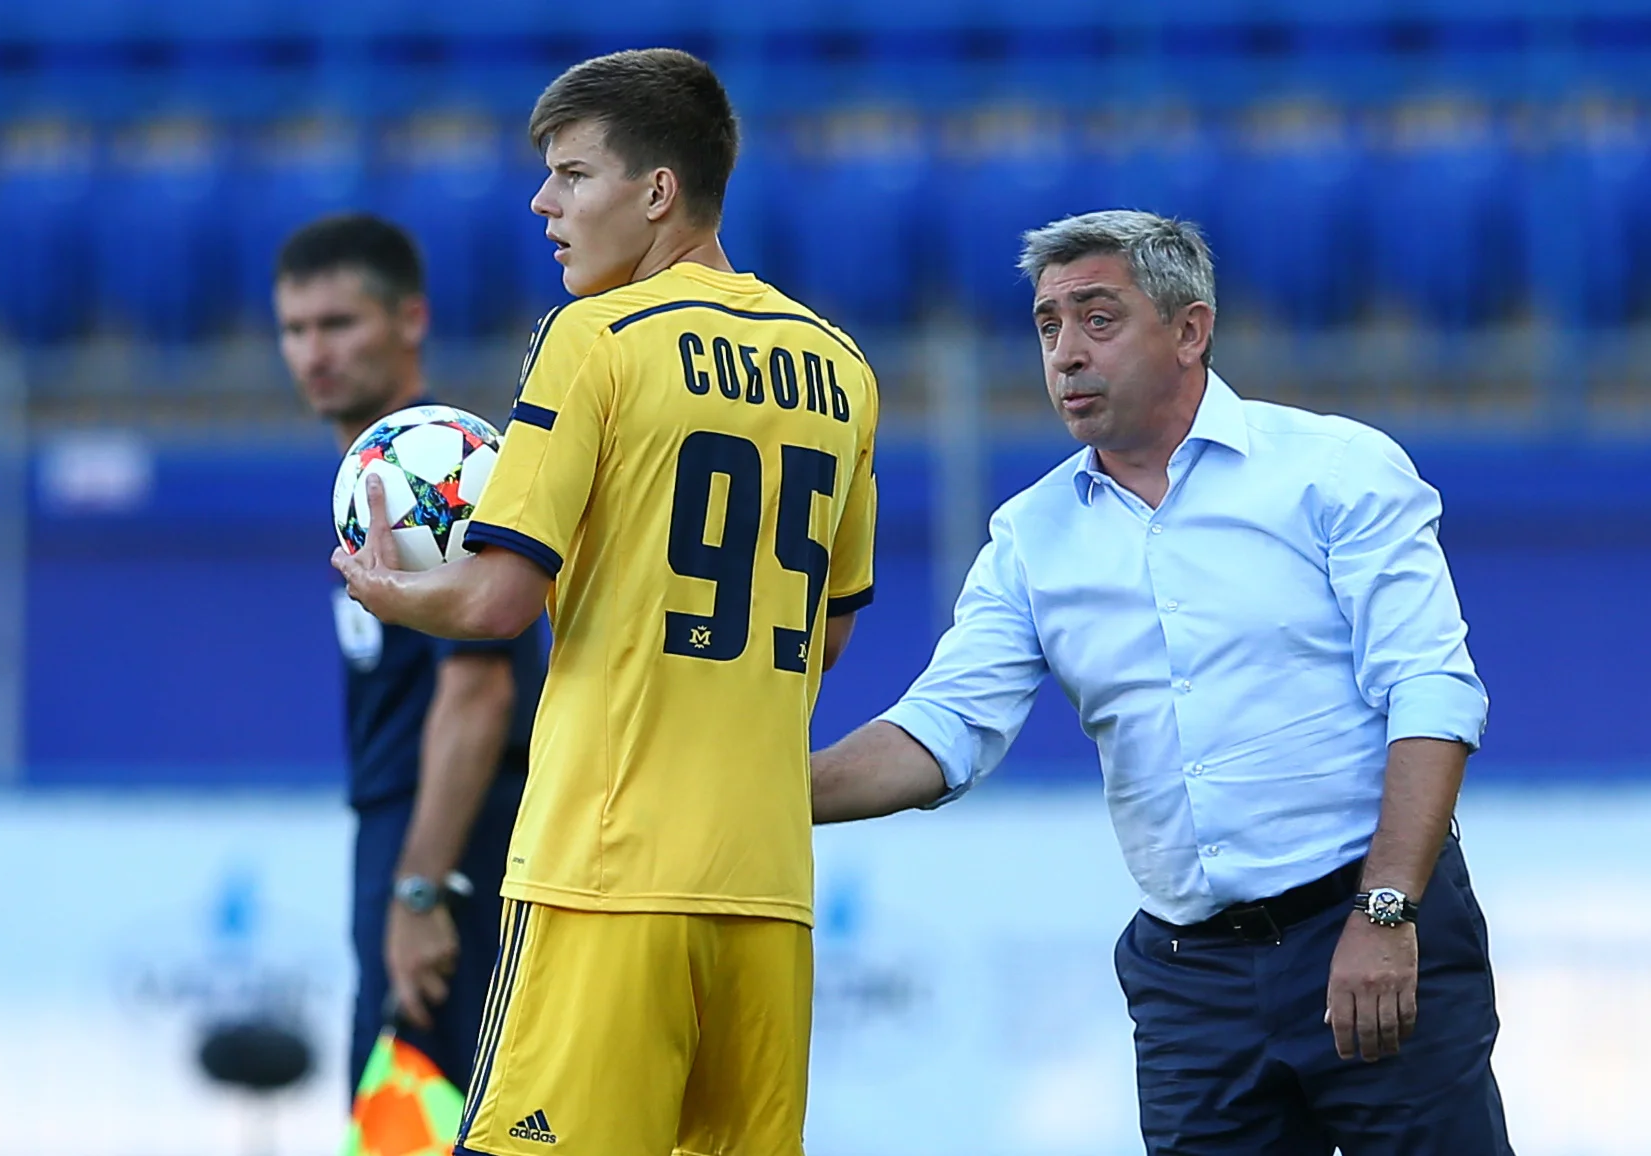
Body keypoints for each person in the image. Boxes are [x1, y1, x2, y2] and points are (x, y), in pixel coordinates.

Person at [812, 210, 1512, 1155]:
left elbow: (1431, 692)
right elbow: (942, 731)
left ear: (1191, 330)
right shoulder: (1031, 535)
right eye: (1049, 325)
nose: (1066, 353)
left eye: (1099, 319)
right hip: (1192, 982)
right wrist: (768, 791)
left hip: (1367, 918)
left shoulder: (1334, 472)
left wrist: (1386, 912)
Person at [333, 49, 879, 1156]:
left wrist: (393, 591)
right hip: (768, 893)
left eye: (573, 174)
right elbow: (828, 631)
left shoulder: (592, 338)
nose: (544, 203)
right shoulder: (842, 370)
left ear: (658, 190)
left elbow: (498, 602)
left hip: (605, 873)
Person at [273, 213, 548, 1099]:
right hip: (408, 838)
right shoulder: (368, 481)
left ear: (411, 320)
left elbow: (478, 691)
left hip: (458, 846)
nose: (314, 352)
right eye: (294, 329)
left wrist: (420, 891)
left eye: (338, 323)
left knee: (430, 1117)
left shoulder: (442, 480)